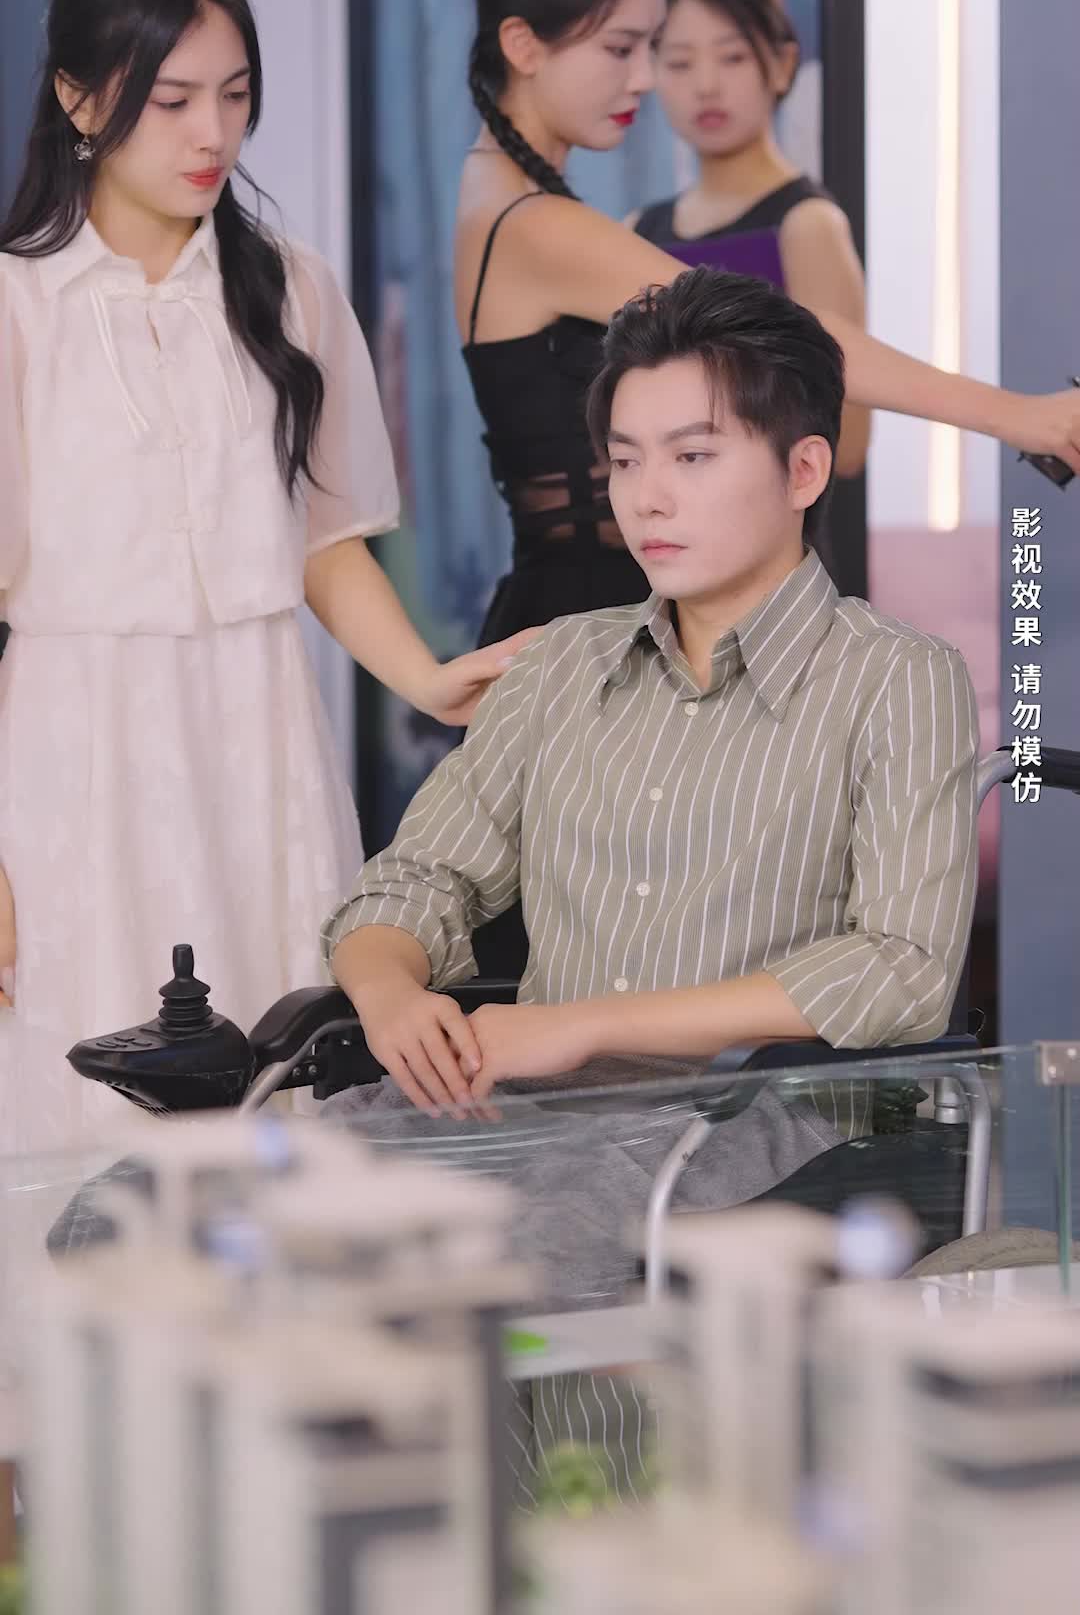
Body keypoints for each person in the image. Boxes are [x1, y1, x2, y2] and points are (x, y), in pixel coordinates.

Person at [325, 264, 980, 1500]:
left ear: (802, 470)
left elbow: (900, 968)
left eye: (692, 456)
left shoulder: (898, 679)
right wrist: (390, 994)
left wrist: (582, 1028)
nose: (647, 498)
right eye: (626, 461)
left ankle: (557, 1549)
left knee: (476, 1277)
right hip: (510, 1113)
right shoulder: (561, 666)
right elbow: (414, 880)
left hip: (755, 1124)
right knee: (173, 1226)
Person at [455, 0, 1078, 986]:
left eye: (663, 50)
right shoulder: (539, 226)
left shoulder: (521, 200)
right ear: (525, 46)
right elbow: (795, 341)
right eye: (627, 49)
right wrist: (1024, 418)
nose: (651, 82)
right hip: (593, 615)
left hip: (611, 604)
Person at [0, 0, 528, 1154]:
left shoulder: (289, 287)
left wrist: (428, 678)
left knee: (280, 1086)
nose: (214, 134)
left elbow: (324, 544)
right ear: (78, 97)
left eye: (234, 96)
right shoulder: (17, 306)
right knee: (80, 1102)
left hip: (260, 737)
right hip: (74, 755)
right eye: (172, 99)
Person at [631, 0, 871, 481]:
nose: (706, 85)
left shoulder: (806, 227)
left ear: (782, 65)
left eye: (732, 57)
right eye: (680, 62)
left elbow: (849, 442)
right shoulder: (636, 231)